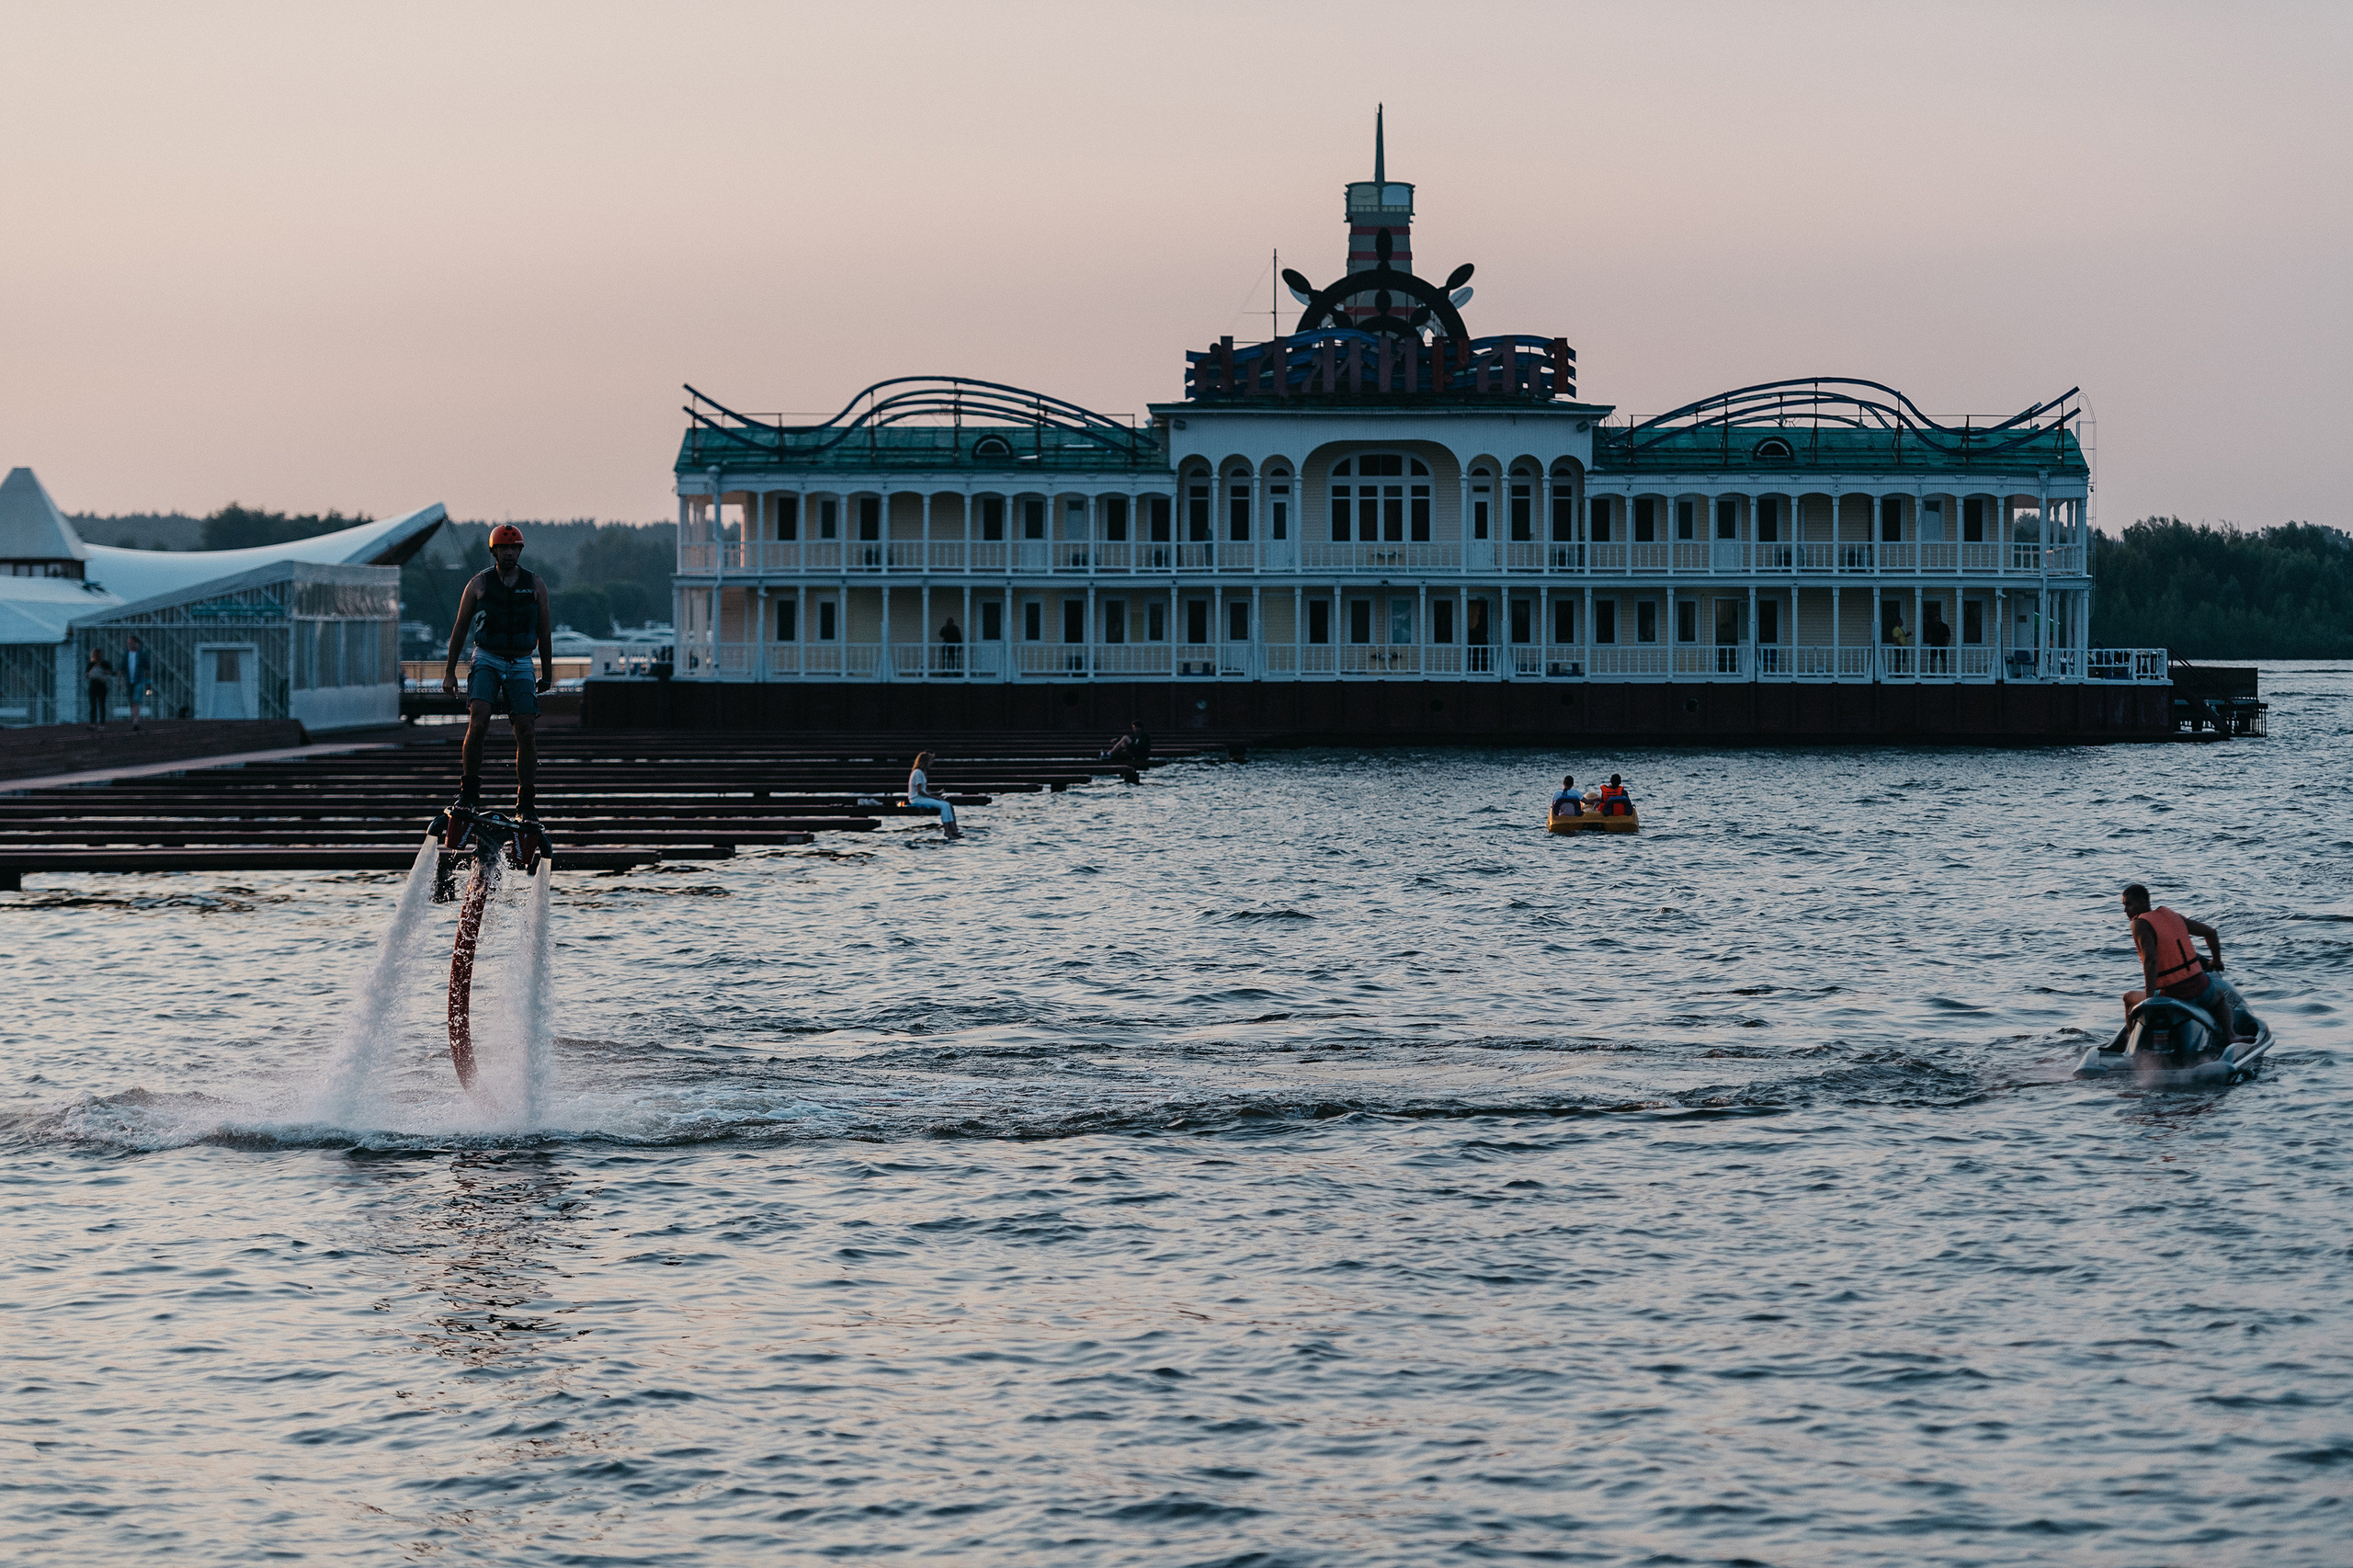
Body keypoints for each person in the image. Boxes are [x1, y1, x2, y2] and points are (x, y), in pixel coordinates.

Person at [441, 524, 553, 817]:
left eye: (514, 548)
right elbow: (460, 628)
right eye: (504, 548)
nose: (509, 553)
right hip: (487, 657)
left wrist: (548, 672)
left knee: (526, 730)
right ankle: (468, 794)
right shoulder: (479, 583)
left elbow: (544, 630)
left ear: (520, 551)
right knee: (478, 720)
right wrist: (450, 671)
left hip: (521, 661)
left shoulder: (535, 584)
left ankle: (526, 802)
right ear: (494, 551)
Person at [2120, 882, 2226, 1028]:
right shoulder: (2172, 916)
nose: (2125, 910)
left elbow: (2150, 961)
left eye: (2129, 904)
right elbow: (2211, 933)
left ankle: (2128, 1040)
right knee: (2220, 997)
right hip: (2201, 990)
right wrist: (2216, 961)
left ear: (2142, 902)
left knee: (2127, 998)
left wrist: (2150, 999)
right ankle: (2231, 1035)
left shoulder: (2139, 923)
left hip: (2172, 995)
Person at [908, 750, 960, 839]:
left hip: (922, 797)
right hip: (917, 798)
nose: (932, 762)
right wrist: (934, 797)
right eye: (930, 760)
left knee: (948, 805)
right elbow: (919, 791)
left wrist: (936, 793)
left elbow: (924, 790)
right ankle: (947, 831)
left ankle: (954, 830)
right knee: (944, 806)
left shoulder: (922, 773)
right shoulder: (918, 772)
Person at [121, 634, 149, 732]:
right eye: (128, 643)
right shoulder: (126, 655)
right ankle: (134, 718)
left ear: (136, 643)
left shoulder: (142, 654)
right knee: (131, 701)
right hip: (129, 681)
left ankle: (136, 721)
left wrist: (148, 685)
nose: (129, 644)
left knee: (136, 699)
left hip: (139, 680)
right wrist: (120, 682)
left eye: (131, 642)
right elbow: (122, 669)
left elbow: (147, 670)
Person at [85, 647, 111, 730]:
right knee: (93, 706)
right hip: (93, 686)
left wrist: (105, 672)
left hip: (102, 686)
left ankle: (101, 724)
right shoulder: (91, 664)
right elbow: (86, 675)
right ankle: (93, 723)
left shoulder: (105, 663)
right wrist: (92, 673)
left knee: (101, 705)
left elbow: (111, 672)